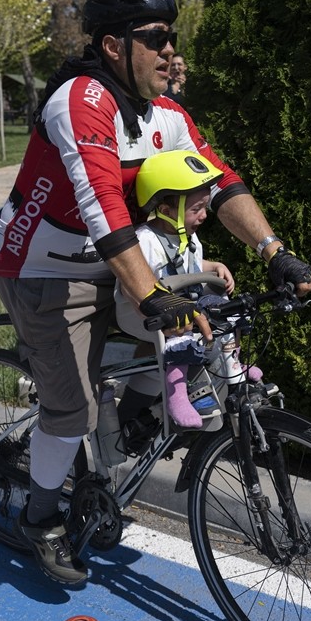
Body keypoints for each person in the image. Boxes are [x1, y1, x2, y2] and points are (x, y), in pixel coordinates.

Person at [0, 0, 311, 585]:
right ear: (114, 46)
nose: (171, 50)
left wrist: (274, 253)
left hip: (124, 259)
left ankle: (124, 436)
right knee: (72, 411)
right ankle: (40, 521)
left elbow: (218, 181)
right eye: (156, 37)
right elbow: (102, 208)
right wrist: (152, 295)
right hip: (43, 268)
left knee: (192, 340)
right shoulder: (80, 101)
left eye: (174, 36)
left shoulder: (164, 112)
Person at [114, 149, 262, 430]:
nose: (204, 215)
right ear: (166, 210)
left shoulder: (187, 236)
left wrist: (212, 265)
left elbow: (186, 265)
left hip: (180, 301)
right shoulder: (146, 240)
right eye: (197, 209)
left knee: (225, 308)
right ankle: (177, 392)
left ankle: (232, 362)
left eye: (205, 207)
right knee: (185, 321)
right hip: (139, 310)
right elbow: (138, 281)